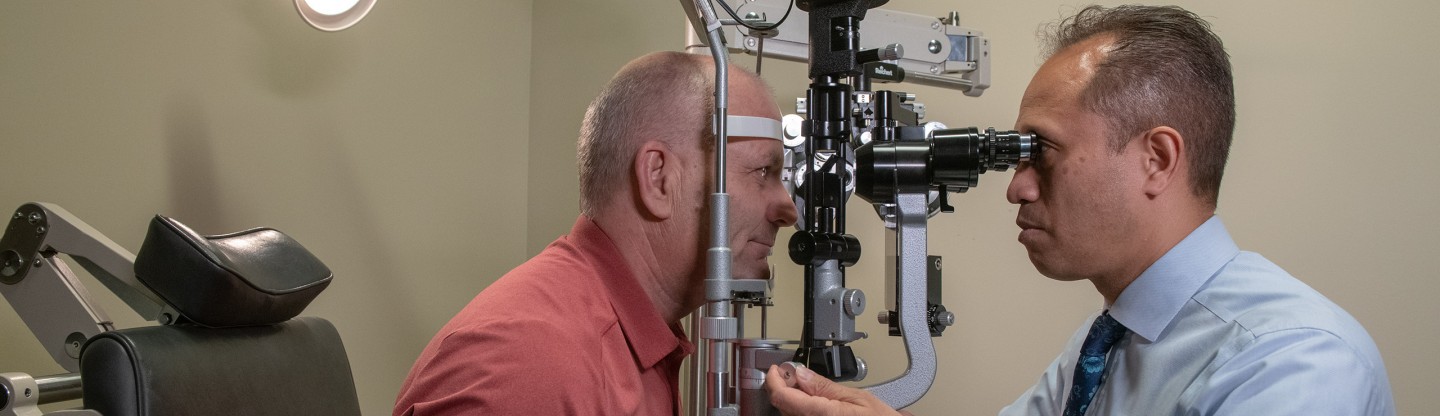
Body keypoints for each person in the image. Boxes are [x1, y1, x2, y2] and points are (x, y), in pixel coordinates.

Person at [765, 5, 1394, 415]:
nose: (1016, 188)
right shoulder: (1105, 348)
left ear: (1157, 159)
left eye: (1042, 153)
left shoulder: (1293, 360)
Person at [393, 51, 797, 415]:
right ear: (659, 179)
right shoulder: (533, 368)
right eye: (763, 171)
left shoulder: (631, 344)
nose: (788, 210)